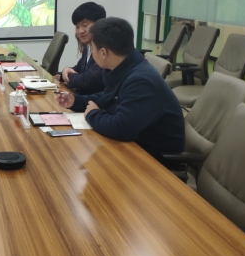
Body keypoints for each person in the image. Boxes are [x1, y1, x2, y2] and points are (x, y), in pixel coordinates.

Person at [56, 17, 185, 159]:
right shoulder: (122, 67)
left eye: (92, 48)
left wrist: (93, 114)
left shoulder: (140, 81)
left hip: (154, 159)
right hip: (134, 145)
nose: (92, 53)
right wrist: (76, 101)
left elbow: (122, 128)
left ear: (103, 53)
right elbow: (107, 96)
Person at [54, 2, 106, 95]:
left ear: (99, 24)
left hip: (96, 99)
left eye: (85, 25)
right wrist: (63, 73)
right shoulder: (88, 46)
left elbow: (90, 79)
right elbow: (79, 68)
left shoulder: (104, 48)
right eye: (77, 27)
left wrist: (68, 77)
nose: (80, 31)